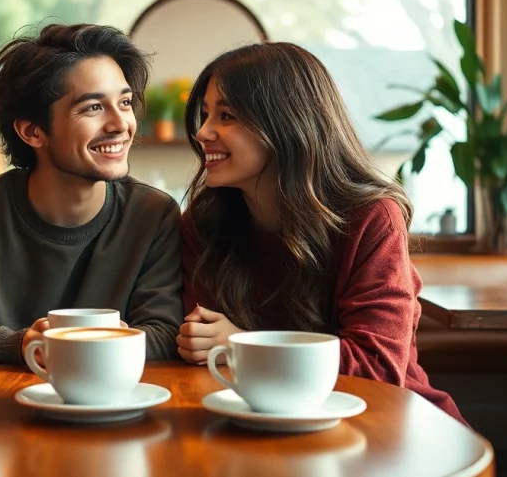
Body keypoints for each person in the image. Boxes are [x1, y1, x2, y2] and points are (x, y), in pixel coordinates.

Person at [175, 42, 465, 423]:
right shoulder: (205, 221)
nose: (203, 132)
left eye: (226, 116)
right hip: (257, 421)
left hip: (389, 424)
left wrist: (240, 345)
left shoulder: (372, 217)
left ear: (286, 123)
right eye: (206, 114)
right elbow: (200, 348)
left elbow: (377, 368)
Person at [0, 23, 184, 375]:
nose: (121, 124)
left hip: (116, 409)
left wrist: (72, 345)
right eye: (93, 107)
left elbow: (165, 335)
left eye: (124, 102)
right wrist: (21, 345)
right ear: (32, 131)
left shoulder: (153, 215)